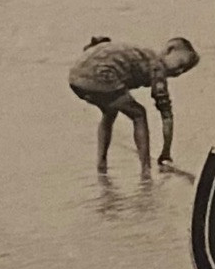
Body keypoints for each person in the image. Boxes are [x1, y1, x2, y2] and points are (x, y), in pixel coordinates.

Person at [69, 36, 199, 174]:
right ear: (168, 50)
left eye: (184, 71)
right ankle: (146, 169)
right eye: (180, 65)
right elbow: (167, 116)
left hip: (76, 77)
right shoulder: (158, 67)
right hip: (100, 75)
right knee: (139, 114)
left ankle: (101, 164)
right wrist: (166, 152)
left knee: (110, 111)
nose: (179, 72)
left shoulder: (144, 54)